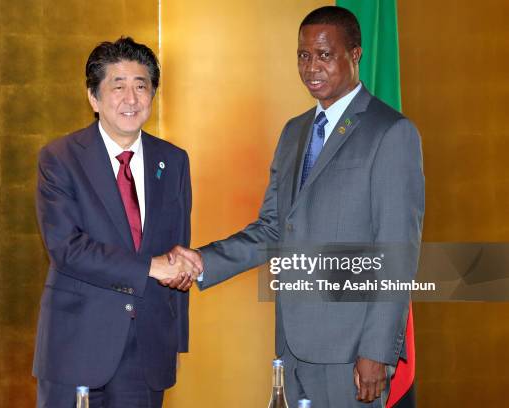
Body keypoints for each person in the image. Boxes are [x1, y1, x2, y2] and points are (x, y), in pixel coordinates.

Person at [169, 6, 424, 407]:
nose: (311, 67)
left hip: (352, 354)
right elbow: (273, 229)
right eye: (304, 55)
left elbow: (397, 251)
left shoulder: (390, 132)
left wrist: (377, 351)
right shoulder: (294, 131)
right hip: (290, 349)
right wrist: (202, 262)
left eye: (325, 54)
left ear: (355, 55)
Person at [33, 37, 201, 408]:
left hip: (147, 349)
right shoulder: (60, 158)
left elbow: (179, 248)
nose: (131, 98)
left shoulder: (173, 160)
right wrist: (150, 266)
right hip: (77, 346)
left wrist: (175, 339)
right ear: (93, 97)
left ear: (152, 95)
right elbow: (66, 248)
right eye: (118, 86)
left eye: (141, 86)